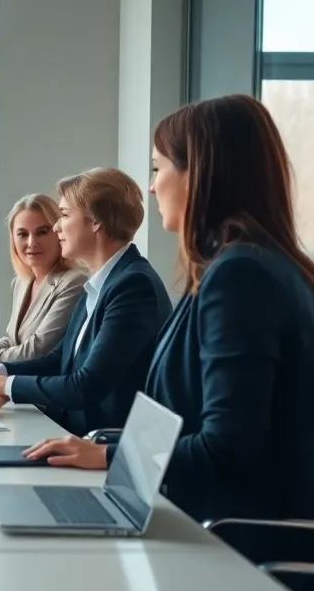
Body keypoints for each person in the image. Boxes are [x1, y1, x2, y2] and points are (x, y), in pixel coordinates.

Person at [24, 96, 314, 524]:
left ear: (199, 173)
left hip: (222, 537)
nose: (153, 186)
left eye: (159, 168)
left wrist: (106, 454)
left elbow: (226, 445)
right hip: (190, 511)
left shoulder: (240, 277)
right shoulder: (240, 266)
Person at [0, 167, 171, 436]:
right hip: (72, 436)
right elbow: (61, 359)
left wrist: (3, 385)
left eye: (64, 215)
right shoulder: (102, 280)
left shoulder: (133, 286)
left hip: (100, 449)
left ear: (96, 221)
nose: (57, 226)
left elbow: (86, 386)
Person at [0, 193, 86, 369]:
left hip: (40, 386)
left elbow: (38, 349)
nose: (31, 243)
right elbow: (12, 340)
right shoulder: (21, 282)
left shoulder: (74, 282)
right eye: (22, 234)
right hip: (14, 379)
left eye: (42, 232)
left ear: (58, 233)